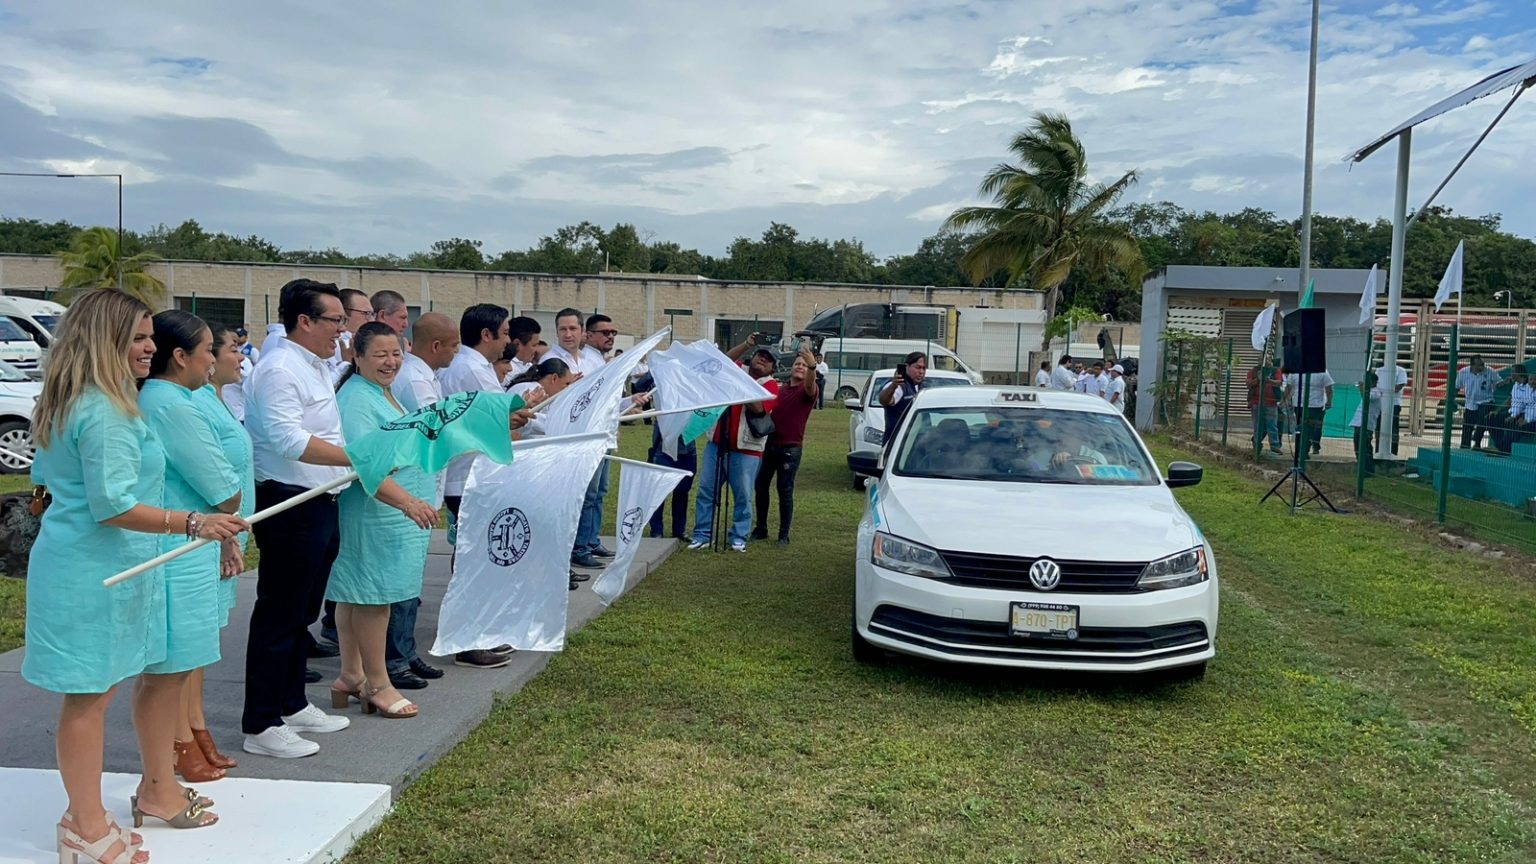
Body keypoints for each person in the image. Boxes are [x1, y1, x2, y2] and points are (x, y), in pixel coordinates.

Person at [27, 290, 246, 862]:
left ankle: (99, 811)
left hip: (99, 564)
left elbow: (55, 483)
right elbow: (113, 505)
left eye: (150, 337)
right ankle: (84, 824)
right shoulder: (103, 408)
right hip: (91, 569)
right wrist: (194, 521)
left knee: (95, 695)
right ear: (105, 340)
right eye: (138, 338)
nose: (151, 347)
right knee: (88, 699)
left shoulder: (83, 398)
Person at [241, 278, 357, 759]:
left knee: (303, 612)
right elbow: (288, 440)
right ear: (304, 321)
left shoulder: (315, 364)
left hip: (321, 497)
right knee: (279, 613)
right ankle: (261, 723)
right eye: (335, 320)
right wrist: (356, 458)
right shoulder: (279, 369)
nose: (342, 330)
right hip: (290, 502)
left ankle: (290, 703)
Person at [139, 311, 247, 787]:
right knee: (174, 659)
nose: (213, 360)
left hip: (197, 539)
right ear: (181, 356)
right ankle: (177, 746)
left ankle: (190, 733)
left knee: (189, 653)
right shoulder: (171, 405)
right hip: (180, 544)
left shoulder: (178, 398)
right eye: (208, 351)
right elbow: (222, 485)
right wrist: (228, 499)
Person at [328, 324, 439, 721]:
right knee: (374, 599)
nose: (391, 362)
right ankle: (377, 683)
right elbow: (366, 463)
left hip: (389, 513)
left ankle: (351, 674)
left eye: (396, 354)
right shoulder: (357, 399)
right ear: (356, 356)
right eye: (380, 354)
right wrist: (407, 502)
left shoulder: (381, 392)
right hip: (378, 512)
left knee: (355, 594)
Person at [190, 323, 255, 773]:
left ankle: (194, 727)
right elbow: (208, 478)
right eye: (234, 349)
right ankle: (188, 734)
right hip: (208, 537)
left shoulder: (220, 400)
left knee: (202, 643)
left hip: (226, 533)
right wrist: (227, 538)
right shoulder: (195, 403)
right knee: (191, 646)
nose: (241, 357)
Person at [384, 311, 460, 689]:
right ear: (436, 345)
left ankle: (405, 650)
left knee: (411, 575)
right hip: (409, 489)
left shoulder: (425, 375)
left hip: (421, 486)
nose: (457, 352)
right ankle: (395, 658)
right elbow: (437, 429)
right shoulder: (415, 380)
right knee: (401, 576)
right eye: (454, 345)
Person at [437, 303, 515, 669]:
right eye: (505, 332)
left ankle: (477, 630)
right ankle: (467, 638)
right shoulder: (469, 369)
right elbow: (498, 417)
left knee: (474, 556)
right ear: (487, 335)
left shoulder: (475, 366)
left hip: (473, 474)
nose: (508, 340)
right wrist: (522, 411)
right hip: (467, 476)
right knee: (472, 560)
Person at [689, 337, 779, 552]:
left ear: (773, 368)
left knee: (743, 496)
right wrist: (746, 344)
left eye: (768, 360)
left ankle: (739, 536)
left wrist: (740, 382)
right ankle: (702, 534)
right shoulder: (737, 369)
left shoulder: (771, 386)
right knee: (706, 491)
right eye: (760, 356)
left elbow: (759, 408)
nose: (762, 360)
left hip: (747, 450)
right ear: (752, 357)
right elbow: (722, 361)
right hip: (717, 444)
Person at [754, 345, 818, 546]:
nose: (800, 367)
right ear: (791, 368)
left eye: (804, 365)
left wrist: (813, 367)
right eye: (797, 364)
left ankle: (783, 534)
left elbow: (810, 386)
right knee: (760, 486)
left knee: (785, 490)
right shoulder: (780, 390)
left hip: (790, 448)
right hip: (770, 444)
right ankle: (761, 528)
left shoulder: (807, 391)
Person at [648, 424, 697, 541]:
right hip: (663, 448)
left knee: (682, 491)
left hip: (688, 448)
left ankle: (679, 531)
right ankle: (656, 531)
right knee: (659, 492)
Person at [1284, 367, 1334, 457]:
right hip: (1315, 405)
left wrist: (1287, 399)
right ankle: (1304, 450)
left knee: (1300, 426)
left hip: (1300, 404)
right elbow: (1329, 387)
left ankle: (1301, 449)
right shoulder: (1322, 370)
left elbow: (1288, 387)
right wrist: (1329, 401)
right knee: (1311, 428)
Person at [877, 351, 929, 434]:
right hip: (899, 439)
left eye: (924, 368)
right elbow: (884, 400)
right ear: (907, 367)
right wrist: (893, 385)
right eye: (918, 367)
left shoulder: (922, 387)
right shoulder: (899, 386)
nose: (921, 372)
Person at [1455, 355, 1500, 450]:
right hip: (1470, 402)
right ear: (1472, 365)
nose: (1482, 367)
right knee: (1467, 425)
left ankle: (1477, 441)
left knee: (1482, 418)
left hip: (1486, 400)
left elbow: (1499, 382)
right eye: (1479, 365)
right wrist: (1452, 399)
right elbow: (1457, 386)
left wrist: (1504, 382)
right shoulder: (1463, 372)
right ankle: (1464, 446)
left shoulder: (1490, 371)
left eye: (1483, 364)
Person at [1489, 368, 1535, 455]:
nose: (1533, 382)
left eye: (1535, 380)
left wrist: (1525, 419)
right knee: (1492, 418)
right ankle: (1499, 447)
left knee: (1515, 426)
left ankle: (1504, 450)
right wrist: (1500, 412)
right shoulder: (1524, 389)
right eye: (1531, 380)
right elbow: (1516, 403)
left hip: (1530, 420)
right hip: (1521, 415)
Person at [1246, 362, 1284, 455]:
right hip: (1256, 402)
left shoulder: (1275, 371)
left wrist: (1269, 380)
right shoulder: (1253, 371)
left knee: (1272, 425)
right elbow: (1248, 384)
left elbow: (1279, 383)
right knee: (1257, 425)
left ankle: (1275, 446)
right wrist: (1258, 379)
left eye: (1268, 359)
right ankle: (1257, 444)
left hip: (1271, 403)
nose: (1266, 361)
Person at [1350, 370, 1382, 474]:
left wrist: (1362, 388)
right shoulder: (1368, 391)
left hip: (1367, 425)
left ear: (1373, 382)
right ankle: (1361, 468)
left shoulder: (1376, 392)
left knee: (1365, 447)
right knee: (1358, 447)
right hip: (1359, 423)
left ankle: (1368, 469)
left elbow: (1367, 397)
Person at [1377, 360, 1408, 455]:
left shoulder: (1400, 370)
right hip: (1381, 403)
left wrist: (1385, 391)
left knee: (1393, 429)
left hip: (1394, 403)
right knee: (1379, 428)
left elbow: (1400, 386)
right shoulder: (1379, 370)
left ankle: (1393, 452)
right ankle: (1379, 450)